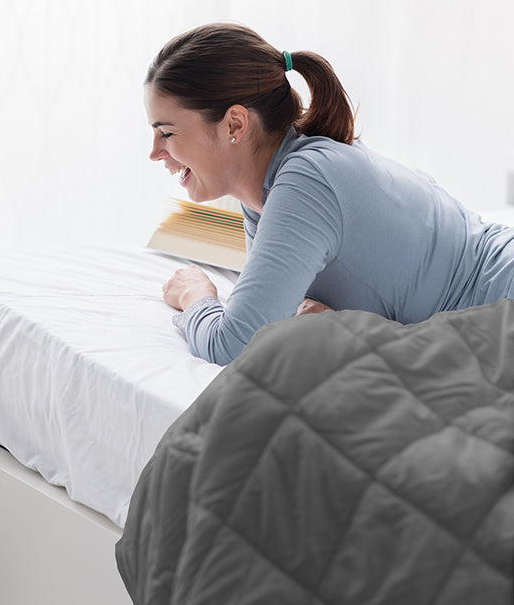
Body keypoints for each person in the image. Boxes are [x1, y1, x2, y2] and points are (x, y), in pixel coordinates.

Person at [145, 22, 514, 365]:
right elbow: (276, 315)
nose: (155, 152)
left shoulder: (308, 180)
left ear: (234, 125)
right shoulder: (269, 189)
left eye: (168, 133)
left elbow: (235, 345)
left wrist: (196, 295)